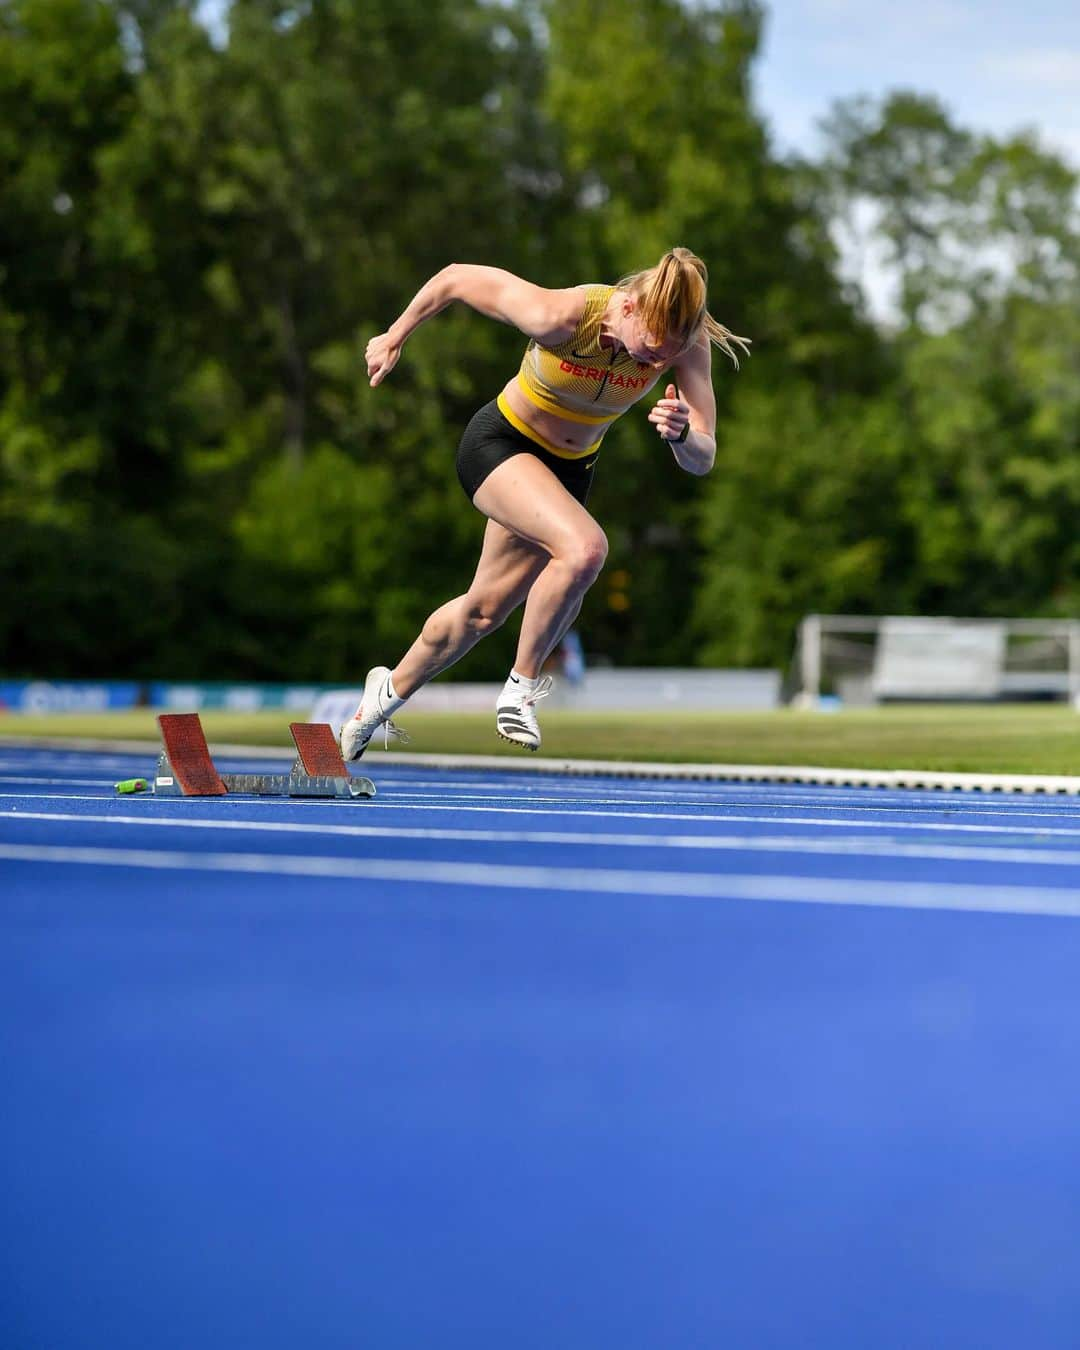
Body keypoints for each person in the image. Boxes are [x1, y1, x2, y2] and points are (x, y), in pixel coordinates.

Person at [341, 246, 748, 759]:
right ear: (626, 310)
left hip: (566, 473)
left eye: (665, 356)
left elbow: (703, 458)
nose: (654, 363)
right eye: (649, 351)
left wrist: (682, 434)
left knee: (482, 613)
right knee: (586, 549)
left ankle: (379, 700)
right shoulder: (562, 316)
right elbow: (455, 277)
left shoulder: (685, 345)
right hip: (501, 445)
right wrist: (394, 335)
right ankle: (520, 688)